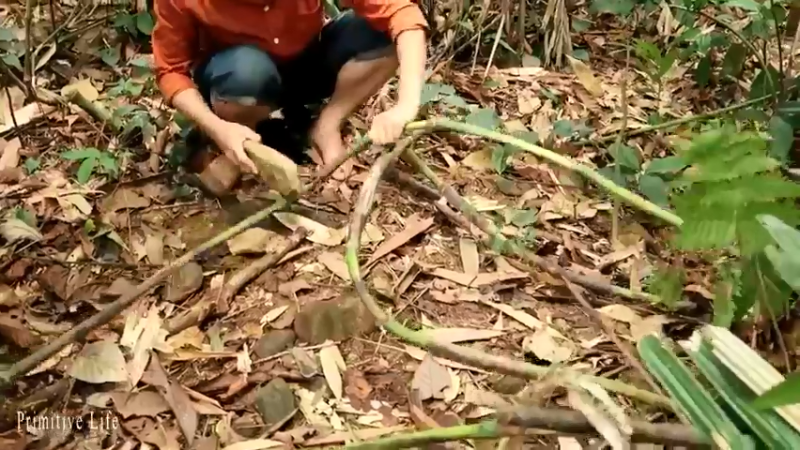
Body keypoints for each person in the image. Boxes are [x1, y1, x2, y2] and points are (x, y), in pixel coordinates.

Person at [152, 0, 428, 192]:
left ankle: (326, 125)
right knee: (248, 72)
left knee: (380, 33)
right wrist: (218, 129)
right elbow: (171, 71)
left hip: (304, 62)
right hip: (237, 80)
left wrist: (406, 105)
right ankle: (242, 143)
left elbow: (403, 15)